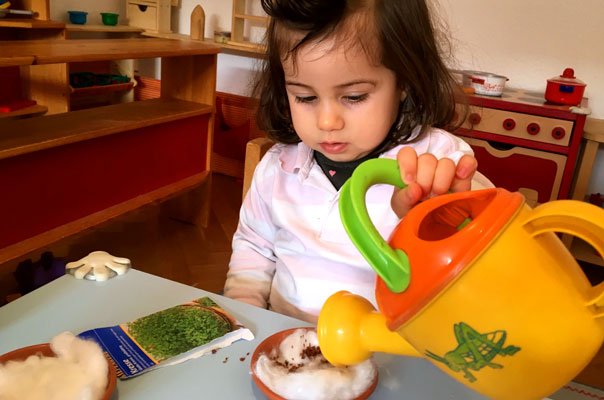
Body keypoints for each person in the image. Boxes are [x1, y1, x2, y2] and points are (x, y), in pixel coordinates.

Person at [223, 0, 491, 323]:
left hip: (389, 354)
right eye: (305, 97)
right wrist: (244, 319)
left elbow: (487, 271)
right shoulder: (276, 170)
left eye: (354, 96)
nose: (327, 121)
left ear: (403, 81)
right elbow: (253, 251)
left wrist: (442, 220)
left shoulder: (437, 161)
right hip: (287, 348)